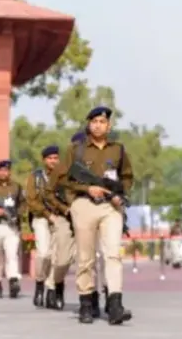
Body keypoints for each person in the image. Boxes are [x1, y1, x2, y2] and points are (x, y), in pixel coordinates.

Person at [48, 106, 133, 325]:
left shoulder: (118, 150)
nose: (98, 125)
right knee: (85, 258)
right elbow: (58, 179)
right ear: (89, 124)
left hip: (110, 208)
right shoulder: (76, 150)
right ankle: (86, 302)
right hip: (83, 205)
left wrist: (119, 193)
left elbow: (127, 177)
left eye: (102, 122)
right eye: (94, 121)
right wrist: (86, 189)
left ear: (109, 125)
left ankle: (115, 304)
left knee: (113, 254)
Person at [41, 133, 81, 311]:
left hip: (87, 217)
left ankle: (91, 299)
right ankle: (55, 286)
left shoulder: (95, 168)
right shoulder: (62, 168)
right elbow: (48, 193)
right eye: (76, 146)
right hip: (64, 217)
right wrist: (64, 209)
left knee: (90, 259)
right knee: (63, 259)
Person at [25, 145, 61, 307]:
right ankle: (40, 283)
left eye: (55, 158)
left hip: (60, 218)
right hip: (41, 218)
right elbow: (31, 200)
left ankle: (51, 289)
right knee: (44, 253)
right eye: (50, 158)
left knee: (57, 256)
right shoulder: (35, 177)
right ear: (44, 160)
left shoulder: (63, 176)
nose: (53, 161)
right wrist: (48, 215)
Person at [0, 159, 23, 299]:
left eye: (7, 170)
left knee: (12, 254)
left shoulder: (16, 187)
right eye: (1, 170)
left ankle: (13, 281)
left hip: (10, 225)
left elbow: (23, 203)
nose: (4, 172)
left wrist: (18, 214)